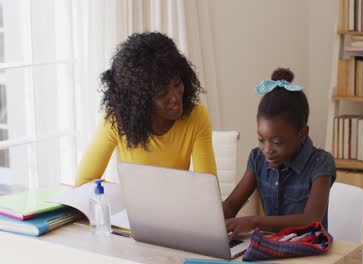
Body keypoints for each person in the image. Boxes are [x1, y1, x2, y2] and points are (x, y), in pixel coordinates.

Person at [75, 32, 216, 186]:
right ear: (140, 101)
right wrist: (131, 196)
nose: (175, 98)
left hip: (176, 209)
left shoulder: (196, 116)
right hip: (132, 210)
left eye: (177, 84)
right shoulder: (117, 120)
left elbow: (207, 188)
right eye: (163, 94)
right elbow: (84, 182)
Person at [222, 68, 336, 238]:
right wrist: (206, 223)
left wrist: (255, 222)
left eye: (277, 142)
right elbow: (231, 204)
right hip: (272, 248)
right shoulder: (257, 159)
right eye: (261, 139)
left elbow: (311, 220)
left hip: (309, 250)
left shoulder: (320, 162)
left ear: (302, 134)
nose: (267, 150)